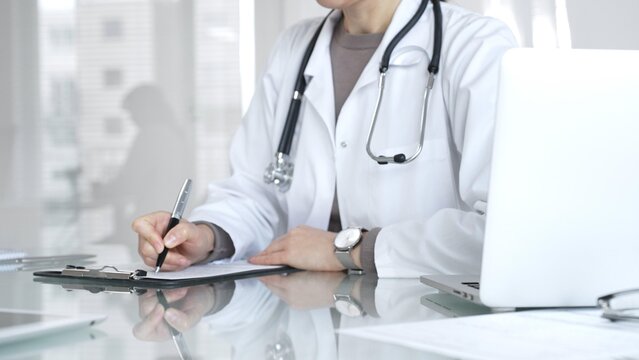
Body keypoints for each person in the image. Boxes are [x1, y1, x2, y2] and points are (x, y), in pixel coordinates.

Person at [133, 0, 518, 277]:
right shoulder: (293, 49)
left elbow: (506, 230)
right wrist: (206, 236)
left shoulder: (475, 47)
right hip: (305, 316)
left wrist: (352, 250)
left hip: (425, 315)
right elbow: (253, 193)